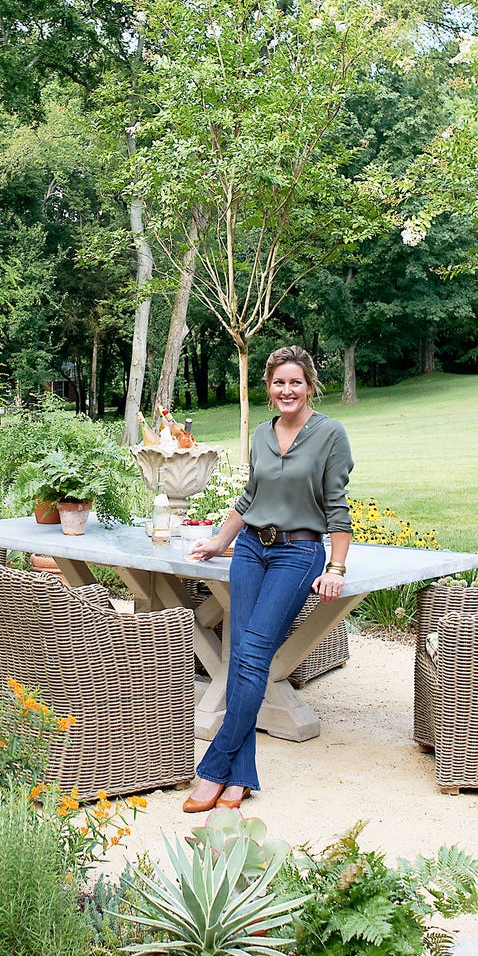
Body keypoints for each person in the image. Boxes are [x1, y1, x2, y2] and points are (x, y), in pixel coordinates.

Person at [183, 345, 353, 810]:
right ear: (269, 387)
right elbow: (249, 497)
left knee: (254, 653)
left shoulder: (330, 434)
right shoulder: (261, 434)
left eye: (295, 381)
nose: (287, 390)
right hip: (251, 550)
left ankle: (214, 766)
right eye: (279, 382)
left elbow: (337, 507)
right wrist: (220, 541)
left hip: (298, 554)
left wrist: (336, 567)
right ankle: (240, 779)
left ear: (310, 384)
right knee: (242, 656)